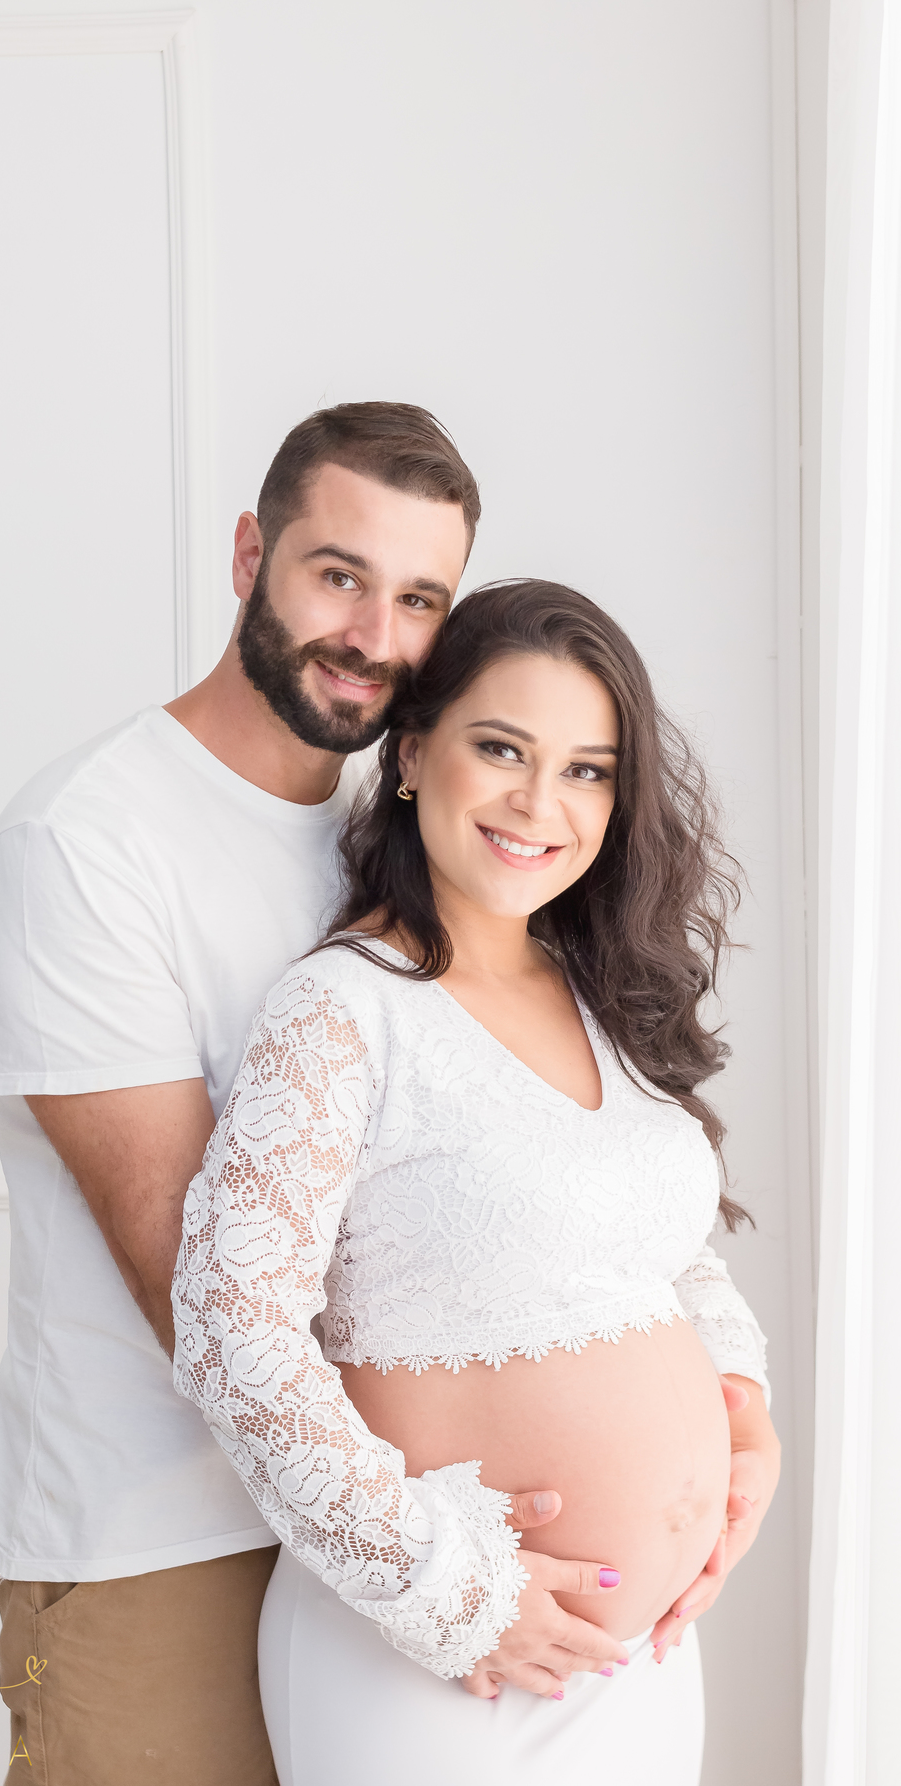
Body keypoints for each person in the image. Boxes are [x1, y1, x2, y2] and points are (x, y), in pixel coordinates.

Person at [172, 580, 782, 1786]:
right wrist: (451, 1590)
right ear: (409, 756)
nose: (539, 804)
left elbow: (662, 1257)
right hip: (440, 1660)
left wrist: (743, 1416)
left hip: (639, 1659)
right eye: (501, 749)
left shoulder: (596, 996)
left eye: (587, 770)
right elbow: (231, 1328)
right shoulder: (341, 1010)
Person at [0, 402, 486, 1786]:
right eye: (337, 574)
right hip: (162, 1542)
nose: (373, 634)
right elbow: (188, 1276)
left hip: (389, 1511)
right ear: (251, 551)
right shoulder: (85, 846)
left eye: (420, 598)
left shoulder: (409, 840)